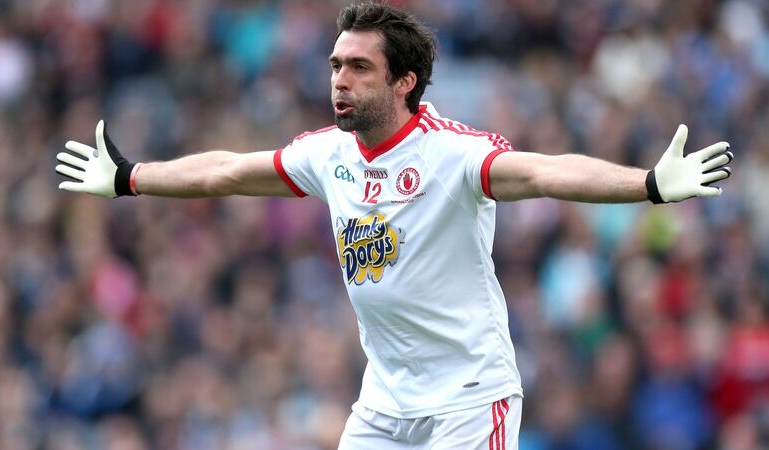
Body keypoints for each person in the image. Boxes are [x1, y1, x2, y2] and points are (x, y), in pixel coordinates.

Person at [55, 3, 733, 449]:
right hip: (385, 401)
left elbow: (547, 172)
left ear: (405, 81)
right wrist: (130, 176)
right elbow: (227, 171)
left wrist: (647, 184)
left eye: (359, 67)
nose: (339, 80)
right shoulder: (329, 152)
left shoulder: (454, 154)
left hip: (469, 398)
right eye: (335, 66)